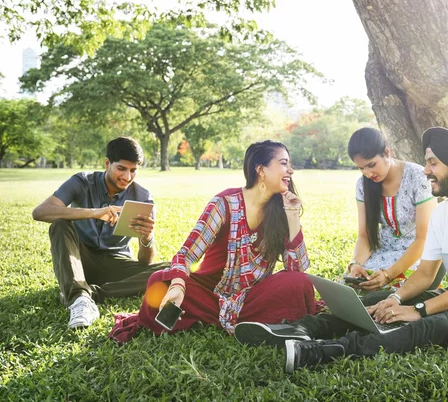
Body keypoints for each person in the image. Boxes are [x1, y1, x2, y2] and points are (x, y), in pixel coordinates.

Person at [235, 127, 448, 373]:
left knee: (427, 325)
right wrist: (393, 298)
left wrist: (417, 309)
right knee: (375, 302)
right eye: (427, 163)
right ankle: (298, 329)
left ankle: (321, 352)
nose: (427, 171)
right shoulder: (444, 214)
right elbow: (426, 274)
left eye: (433, 163)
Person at [108, 140, 317, 343]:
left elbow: (296, 268)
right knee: (158, 282)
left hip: (253, 296)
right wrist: (178, 286)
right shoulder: (224, 203)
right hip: (209, 295)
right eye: (283, 163)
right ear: (261, 170)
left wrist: (292, 215)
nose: (290, 170)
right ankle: (247, 322)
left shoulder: (281, 209)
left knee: (300, 283)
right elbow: (187, 254)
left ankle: (206, 321)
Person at [32, 137, 169, 329]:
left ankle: (92, 295)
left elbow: (145, 263)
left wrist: (147, 238)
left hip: (117, 266)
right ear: (107, 163)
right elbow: (40, 212)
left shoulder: (143, 198)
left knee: (173, 270)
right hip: (79, 261)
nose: (127, 177)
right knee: (60, 224)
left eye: (133, 170)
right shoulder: (82, 182)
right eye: (121, 168)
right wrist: (94, 212)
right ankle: (79, 299)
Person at [345, 127, 443, 292]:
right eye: (361, 168)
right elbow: (365, 236)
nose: (368, 173)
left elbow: (423, 239)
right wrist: (356, 264)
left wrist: (389, 274)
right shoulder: (363, 185)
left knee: (380, 299)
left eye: (371, 165)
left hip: (416, 256)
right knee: (349, 293)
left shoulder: (418, 177)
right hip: (383, 253)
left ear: (387, 152)